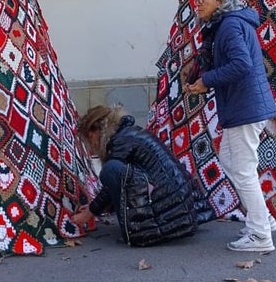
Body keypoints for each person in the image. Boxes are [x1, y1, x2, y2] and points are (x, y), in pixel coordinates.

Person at [186, 0, 276, 253]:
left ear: (221, 0)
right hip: (244, 105)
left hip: (244, 106)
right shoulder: (229, 24)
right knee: (231, 160)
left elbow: (241, 64)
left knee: (243, 169)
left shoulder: (229, 26)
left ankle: (261, 235)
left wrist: (207, 80)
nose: (198, 3)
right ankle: (262, 220)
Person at [70, 104, 206, 246]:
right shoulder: (126, 134)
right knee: (114, 170)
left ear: (94, 132)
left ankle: (138, 231)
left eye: (87, 140)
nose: (90, 147)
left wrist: (89, 213)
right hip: (176, 209)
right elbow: (115, 186)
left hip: (168, 211)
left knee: (111, 169)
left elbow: (113, 182)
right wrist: (94, 207)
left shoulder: (119, 141)